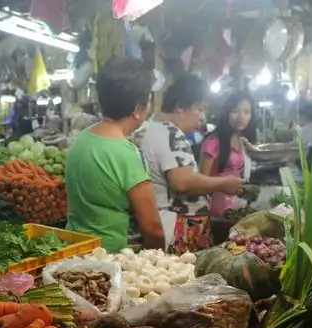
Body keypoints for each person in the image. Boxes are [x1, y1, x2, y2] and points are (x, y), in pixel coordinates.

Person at [133, 75, 244, 254]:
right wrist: (223, 184)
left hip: (168, 223)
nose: (202, 117)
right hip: (178, 229)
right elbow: (182, 182)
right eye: (199, 109)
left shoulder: (155, 129)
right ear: (179, 107)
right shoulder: (171, 133)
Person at [65, 57, 163, 252]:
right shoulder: (128, 155)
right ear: (137, 110)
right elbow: (153, 229)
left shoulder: (81, 141)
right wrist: (158, 260)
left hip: (73, 251)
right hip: (109, 259)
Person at [199, 91, 258, 218]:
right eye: (235, 111)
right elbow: (201, 182)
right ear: (226, 113)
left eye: (246, 112)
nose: (241, 117)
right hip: (216, 213)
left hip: (236, 210)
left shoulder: (241, 140)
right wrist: (223, 185)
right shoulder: (213, 141)